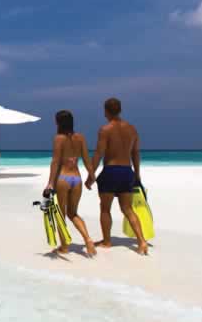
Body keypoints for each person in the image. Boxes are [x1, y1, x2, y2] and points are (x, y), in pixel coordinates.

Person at [86, 98, 149, 255]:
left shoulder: (105, 130)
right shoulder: (132, 129)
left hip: (111, 172)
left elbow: (99, 153)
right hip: (127, 171)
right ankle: (141, 242)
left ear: (106, 111)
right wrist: (137, 174)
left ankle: (107, 241)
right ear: (120, 110)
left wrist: (91, 175)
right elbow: (135, 153)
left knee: (105, 208)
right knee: (127, 209)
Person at [44, 110, 98, 256]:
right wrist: (92, 177)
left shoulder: (59, 139)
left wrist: (50, 183)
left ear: (58, 123)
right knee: (73, 213)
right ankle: (88, 240)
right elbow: (87, 159)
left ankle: (65, 247)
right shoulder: (80, 138)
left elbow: (55, 161)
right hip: (76, 179)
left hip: (63, 178)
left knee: (61, 215)